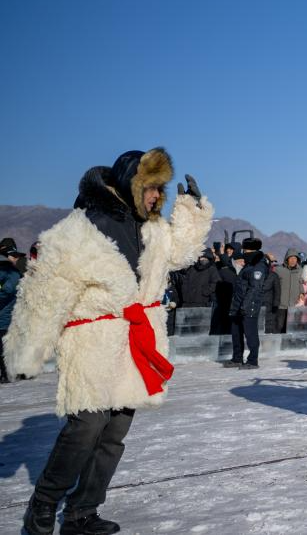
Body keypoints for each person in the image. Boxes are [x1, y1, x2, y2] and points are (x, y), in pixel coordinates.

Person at [5, 148, 212, 535]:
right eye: (151, 188)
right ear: (130, 182)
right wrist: (25, 352)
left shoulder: (151, 228)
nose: (156, 197)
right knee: (85, 428)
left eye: (161, 190)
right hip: (94, 339)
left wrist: (192, 210)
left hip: (135, 340)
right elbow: (46, 292)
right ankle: (43, 506)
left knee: (115, 433)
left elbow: (182, 254)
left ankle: (83, 512)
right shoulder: (80, 228)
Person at [226, 238, 268, 369]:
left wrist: (245, 305)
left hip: (249, 305)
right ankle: (237, 358)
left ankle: (252, 360)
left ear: (254, 250)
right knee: (236, 332)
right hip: (238, 304)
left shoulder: (259, 266)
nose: (244, 252)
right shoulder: (248, 265)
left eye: (247, 250)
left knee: (250, 334)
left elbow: (255, 288)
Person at [0, 238, 24, 384]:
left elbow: (9, 288)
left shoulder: (12, 268)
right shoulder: (10, 266)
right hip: (7, 313)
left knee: (5, 346)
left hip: (6, 315)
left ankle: (8, 374)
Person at [271, 248, 304, 334]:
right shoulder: (278, 269)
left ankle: (290, 345)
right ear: (287, 259)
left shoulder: (300, 270)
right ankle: (277, 345)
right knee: (279, 326)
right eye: (291, 258)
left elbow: (302, 283)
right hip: (281, 305)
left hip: (294, 305)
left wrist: (302, 293)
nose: (293, 260)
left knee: (292, 328)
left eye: (295, 258)